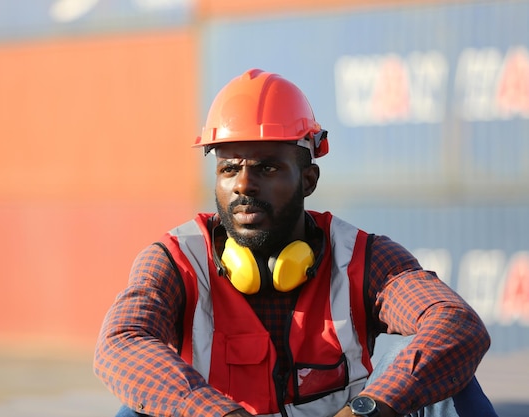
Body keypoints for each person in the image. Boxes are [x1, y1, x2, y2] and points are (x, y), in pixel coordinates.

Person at [94, 68, 498, 417]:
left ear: (308, 180)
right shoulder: (177, 261)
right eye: (229, 168)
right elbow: (120, 343)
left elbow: (456, 324)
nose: (243, 185)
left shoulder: (364, 258)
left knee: (449, 379)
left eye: (267, 168)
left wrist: (372, 408)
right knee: (141, 406)